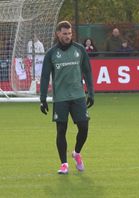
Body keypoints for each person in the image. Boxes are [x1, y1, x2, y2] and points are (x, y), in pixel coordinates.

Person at [40, 21, 94, 174]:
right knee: (61, 130)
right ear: (58, 34)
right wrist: (43, 98)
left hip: (78, 96)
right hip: (60, 98)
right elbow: (44, 77)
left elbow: (88, 72)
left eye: (69, 34)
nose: (67, 36)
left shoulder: (80, 50)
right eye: (64, 34)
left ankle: (76, 153)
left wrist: (91, 92)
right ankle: (64, 164)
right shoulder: (51, 53)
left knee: (84, 128)